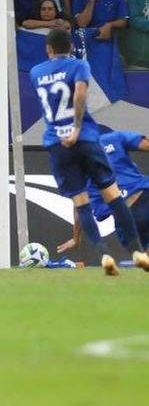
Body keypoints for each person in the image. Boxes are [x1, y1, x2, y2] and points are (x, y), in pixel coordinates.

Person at [28, 27, 149, 274]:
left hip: (56, 143)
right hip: (83, 138)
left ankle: (103, 255)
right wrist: (76, 128)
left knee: (81, 202)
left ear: (48, 49)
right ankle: (137, 251)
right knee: (113, 195)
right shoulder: (79, 66)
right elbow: (80, 93)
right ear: (71, 47)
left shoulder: (35, 72)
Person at [58, 126, 149, 256]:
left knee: (142, 255)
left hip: (126, 217)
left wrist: (76, 238)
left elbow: (80, 207)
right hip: (144, 196)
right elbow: (145, 143)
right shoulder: (114, 138)